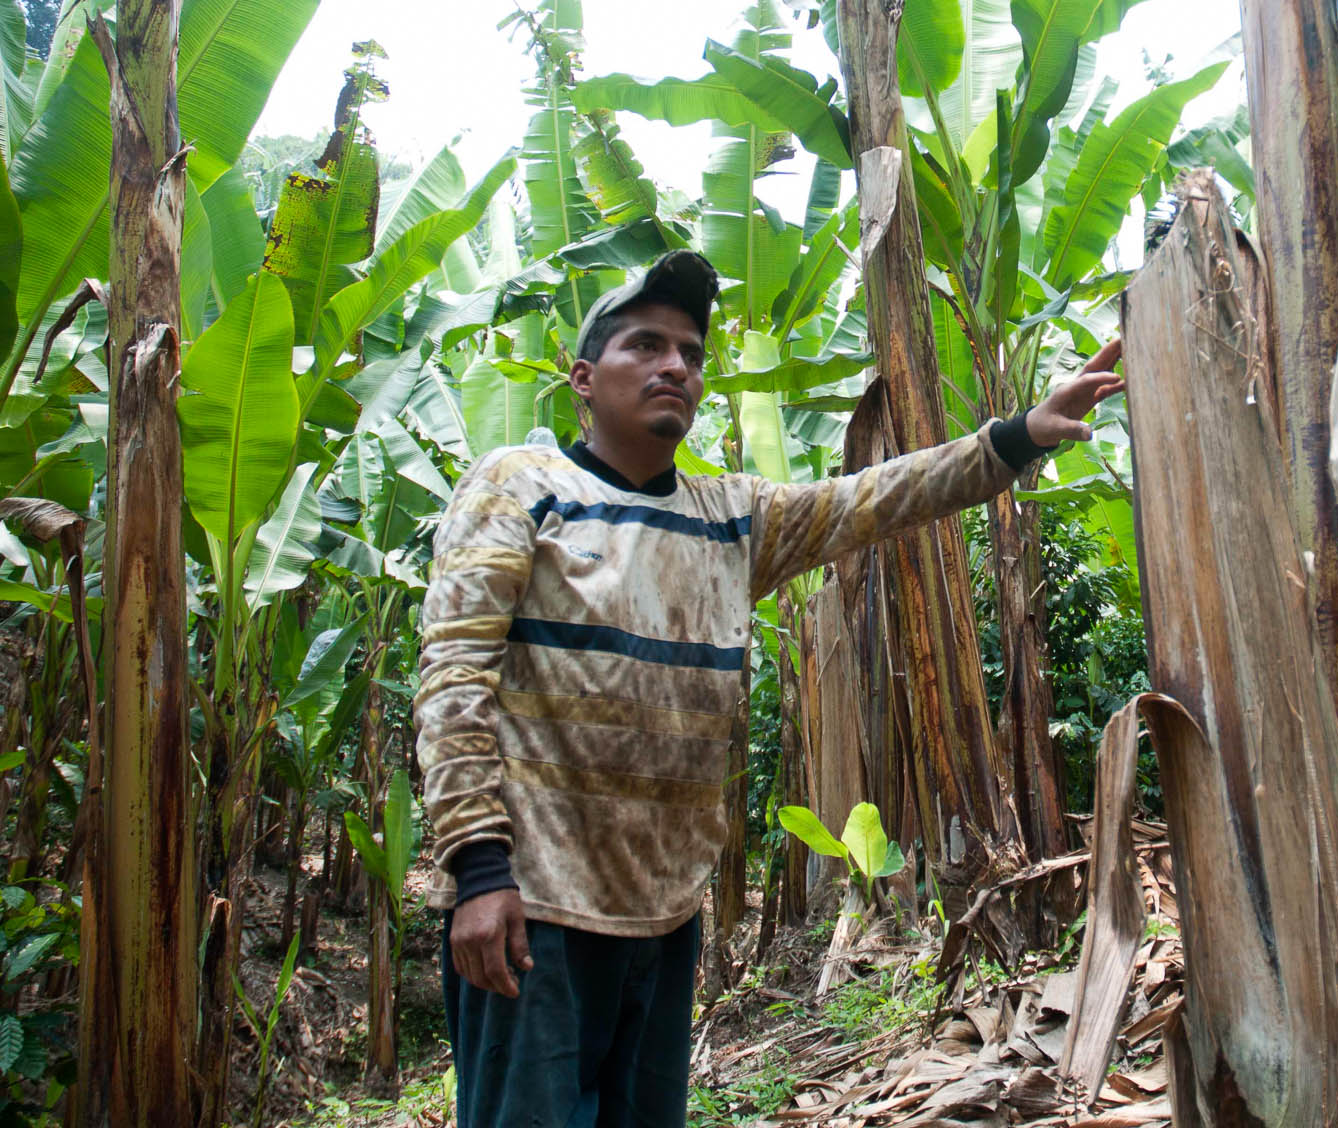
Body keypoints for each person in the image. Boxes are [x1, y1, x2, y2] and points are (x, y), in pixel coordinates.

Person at [416, 249, 1125, 1128]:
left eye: (690, 351)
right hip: (537, 910)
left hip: (664, 917)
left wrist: (1015, 436)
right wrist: (478, 871)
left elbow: (877, 497)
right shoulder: (520, 488)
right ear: (585, 379)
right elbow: (453, 677)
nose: (676, 364)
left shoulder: (731, 518)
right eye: (646, 345)